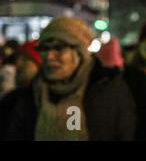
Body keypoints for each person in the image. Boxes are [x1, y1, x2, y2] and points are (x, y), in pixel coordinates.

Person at [0, 17, 136, 141]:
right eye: (45, 48)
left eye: (58, 48)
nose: (49, 56)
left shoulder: (110, 91)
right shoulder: (24, 98)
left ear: (80, 53)